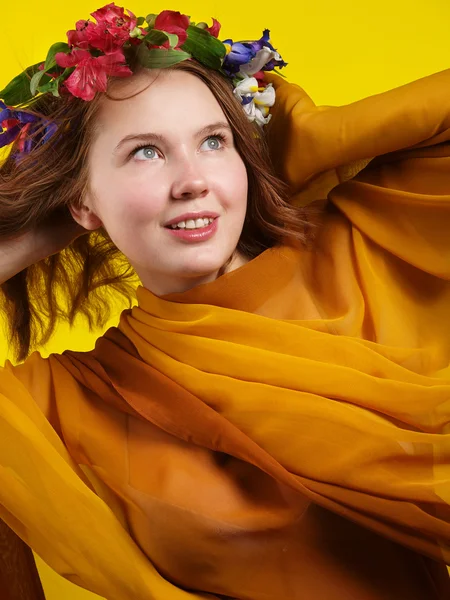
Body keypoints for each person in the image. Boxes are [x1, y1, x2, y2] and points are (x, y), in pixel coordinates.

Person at [0, 3, 449, 599]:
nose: (192, 179)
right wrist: (30, 235)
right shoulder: (75, 399)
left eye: (214, 141)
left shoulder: (363, 246)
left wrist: (311, 142)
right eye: (146, 152)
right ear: (80, 204)